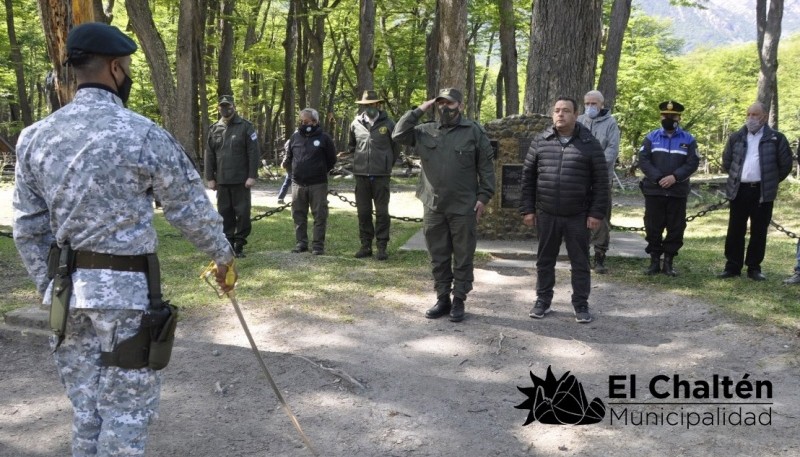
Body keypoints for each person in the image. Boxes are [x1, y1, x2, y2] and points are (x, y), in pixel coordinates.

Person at [12, 22, 236, 456]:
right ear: (116, 68)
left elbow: (28, 226)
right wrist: (222, 255)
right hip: (127, 299)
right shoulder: (143, 133)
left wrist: (49, 286)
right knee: (126, 417)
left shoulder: (35, 137)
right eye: (128, 67)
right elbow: (188, 207)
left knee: (87, 411)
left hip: (66, 295)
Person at [392, 87, 495, 322]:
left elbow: (486, 167)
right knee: (438, 255)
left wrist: (483, 197)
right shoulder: (424, 131)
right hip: (433, 205)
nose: (444, 107)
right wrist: (418, 110)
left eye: (449, 103)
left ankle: (459, 299)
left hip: (463, 206)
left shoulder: (473, 131)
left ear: (459, 105)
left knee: (463, 254)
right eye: (440, 103)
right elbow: (398, 135)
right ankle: (442, 298)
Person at [520, 97, 609, 324]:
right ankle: (542, 301)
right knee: (544, 261)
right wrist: (528, 209)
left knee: (580, 262)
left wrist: (596, 213)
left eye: (566, 111)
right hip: (547, 213)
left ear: (576, 114)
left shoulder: (590, 144)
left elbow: (601, 182)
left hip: (578, 215)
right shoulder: (541, 141)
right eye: (557, 111)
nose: (560, 114)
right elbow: (527, 178)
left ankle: (580, 304)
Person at [717, 102, 793, 281]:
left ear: (764, 117)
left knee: (759, 231)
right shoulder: (736, 137)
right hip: (739, 190)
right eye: (748, 114)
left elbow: (785, 165)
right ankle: (732, 267)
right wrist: (738, 177)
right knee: (735, 230)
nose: (751, 118)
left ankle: (754, 268)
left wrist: (770, 181)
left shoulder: (776, 138)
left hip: (762, 192)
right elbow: (727, 161)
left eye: (755, 115)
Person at [638, 100, 700, 276]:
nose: (668, 118)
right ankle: (654, 261)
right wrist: (658, 178)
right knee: (652, 226)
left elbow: (692, 163)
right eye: (665, 115)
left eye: (672, 116)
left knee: (676, 227)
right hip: (654, 190)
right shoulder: (651, 138)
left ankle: (669, 262)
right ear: (661, 117)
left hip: (677, 192)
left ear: (679, 118)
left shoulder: (689, 139)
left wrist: (674, 177)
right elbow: (644, 160)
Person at [204, 94, 260, 258]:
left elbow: (253, 152)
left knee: (242, 213)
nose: (225, 109)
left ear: (233, 107)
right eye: (222, 106)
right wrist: (210, 177)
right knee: (224, 213)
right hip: (222, 180)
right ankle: (228, 242)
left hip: (241, 180)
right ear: (218, 108)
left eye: (227, 106)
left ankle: (239, 243)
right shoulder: (215, 128)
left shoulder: (245, 127)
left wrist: (252, 175)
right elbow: (209, 154)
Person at [348, 89, 401, 260]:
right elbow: (352, 145)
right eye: (365, 105)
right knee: (363, 212)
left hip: (381, 175)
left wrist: (386, 164)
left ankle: (382, 247)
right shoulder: (355, 123)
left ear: (378, 104)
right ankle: (365, 245)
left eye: (372, 104)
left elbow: (396, 148)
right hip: (361, 174)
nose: (369, 108)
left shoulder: (389, 124)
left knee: (382, 213)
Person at [577, 90, 620, 274]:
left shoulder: (611, 124)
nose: (590, 107)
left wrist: (596, 165)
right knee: (579, 217)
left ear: (601, 104)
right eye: (587, 103)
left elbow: (612, 150)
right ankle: (581, 256)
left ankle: (599, 256)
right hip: (580, 179)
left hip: (601, 179)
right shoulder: (579, 121)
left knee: (600, 218)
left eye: (594, 104)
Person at [283, 108, 337, 255]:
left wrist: (319, 170)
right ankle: (301, 243)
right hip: (298, 183)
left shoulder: (325, 138)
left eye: (306, 121)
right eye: (301, 121)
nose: (303, 124)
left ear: (315, 121)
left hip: (318, 183)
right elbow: (289, 157)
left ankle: (318, 245)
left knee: (319, 215)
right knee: (298, 214)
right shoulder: (295, 138)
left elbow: (331, 160)